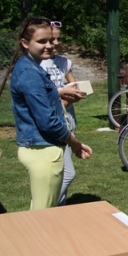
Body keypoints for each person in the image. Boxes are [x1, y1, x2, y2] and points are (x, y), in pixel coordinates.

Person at [11, 17, 92, 210]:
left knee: (41, 212)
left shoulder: (31, 68)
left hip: (41, 148)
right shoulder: (30, 73)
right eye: (41, 41)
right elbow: (48, 121)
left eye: (50, 40)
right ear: (25, 43)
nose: (49, 45)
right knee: (43, 216)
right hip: (43, 151)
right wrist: (74, 143)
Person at [39, 21, 87, 206]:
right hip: (52, 123)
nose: (56, 42)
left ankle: (58, 210)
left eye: (59, 38)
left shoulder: (64, 62)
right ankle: (49, 208)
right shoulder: (37, 65)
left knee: (60, 173)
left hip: (68, 120)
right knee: (65, 173)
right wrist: (60, 101)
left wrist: (70, 97)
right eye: (52, 38)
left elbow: (77, 89)